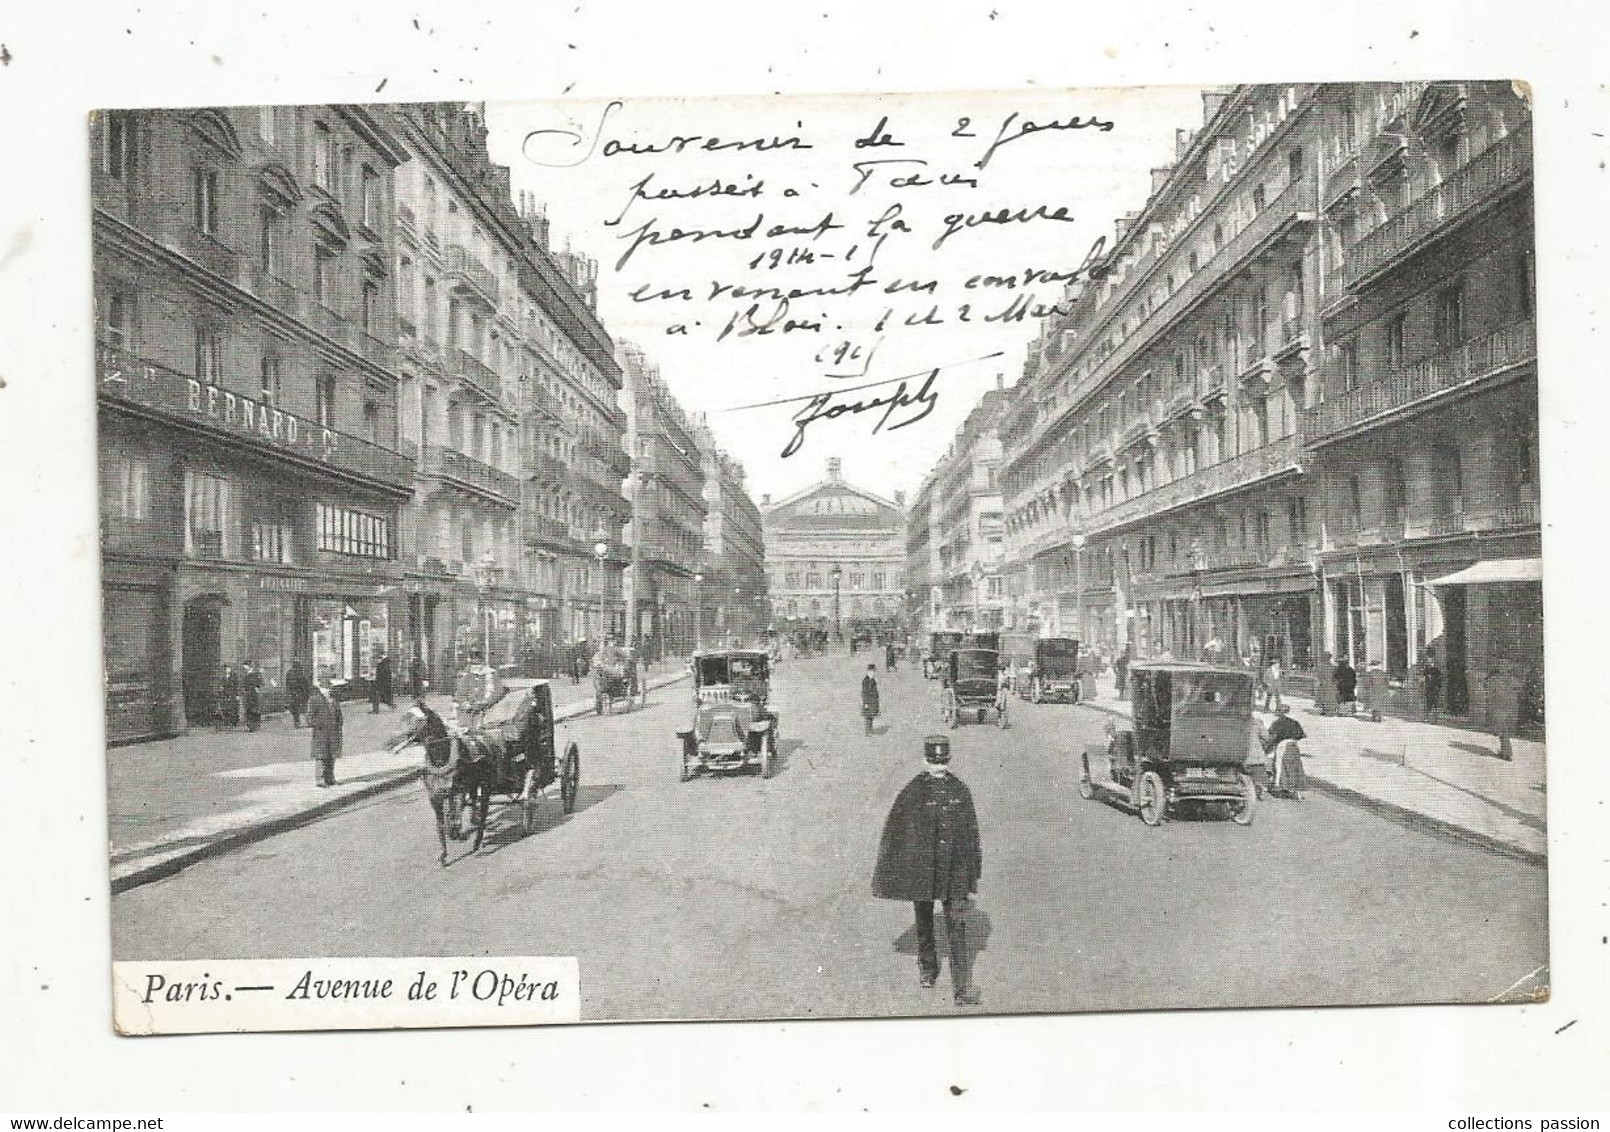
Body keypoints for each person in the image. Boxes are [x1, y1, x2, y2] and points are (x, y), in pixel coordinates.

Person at [872, 735, 983, 1007]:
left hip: (953, 872)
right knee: (925, 923)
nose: (938, 768)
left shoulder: (959, 790)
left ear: (947, 761)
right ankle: (928, 970)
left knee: (955, 927)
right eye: (935, 763)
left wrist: (971, 875)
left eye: (941, 763)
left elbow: (971, 835)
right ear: (926, 761)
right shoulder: (913, 792)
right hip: (922, 871)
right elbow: (896, 831)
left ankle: (961, 989)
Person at [1259, 703, 1308, 799]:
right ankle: (1296, 791)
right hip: (1294, 746)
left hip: (1283, 745)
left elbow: (1272, 737)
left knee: (1280, 766)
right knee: (1295, 767)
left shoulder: (1278, 723)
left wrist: (1266, 748)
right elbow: (1301, 735)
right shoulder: (1295, 722)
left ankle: (1279, 788)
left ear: (1279, 712)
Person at [308, 674, 343, 787]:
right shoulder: (314, 699)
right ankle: (320, 779)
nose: (330, 689)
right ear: (322, 689)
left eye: (330, 687)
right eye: (328, 687)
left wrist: (339, 723)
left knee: (331, 756)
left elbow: (339, 715)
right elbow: (309, 718)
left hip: (333, 732)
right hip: (321, 733)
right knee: (321, 756)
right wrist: (319, 725)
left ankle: (330, 778)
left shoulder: (333, 699)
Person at [284, 658, 311, 727]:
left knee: (295, 710)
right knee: (304, 709)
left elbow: (287, 684)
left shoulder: (289, 673)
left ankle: (297, 723)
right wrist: (307, 693)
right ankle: (309, 722)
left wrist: (288, 693)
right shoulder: (301, 672)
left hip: (293, 694)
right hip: (301, 694)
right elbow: (305, 684)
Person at [240, 663, 263, 732]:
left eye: (245, 666)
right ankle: (250, 726)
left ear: (249, 666)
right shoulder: (246, 675)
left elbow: (259, 683)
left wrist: (257, 688)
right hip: (248, 695)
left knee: (254, 710)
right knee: (248, 709)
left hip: (254, 694)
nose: (244, 668)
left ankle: (255, 725)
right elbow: (244, 684)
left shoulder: (255, 674)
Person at [1422, 650, 1443, 722]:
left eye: (1430, 659)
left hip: (1435, 687)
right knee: (1428, 702)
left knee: (1435, 703)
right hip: (1429, 687)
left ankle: (1435, 719)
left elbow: (1439, 678)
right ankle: (1427, 718)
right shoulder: (1427, 669)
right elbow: (1424, 677)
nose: (1429, 661)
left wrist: (1438, 687)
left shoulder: (1436, 669)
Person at [861, 664, 881, 736]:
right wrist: (866, 702)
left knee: (871, 716)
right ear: (868, 672)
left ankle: (870, 729)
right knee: (868, 716)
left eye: (873, 671)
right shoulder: (866, 681)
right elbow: (865, 692)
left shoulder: (872, 680)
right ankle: (867, 731)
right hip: (868, 701)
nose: (873, 673)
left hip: (873, 701)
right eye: (871, 671)